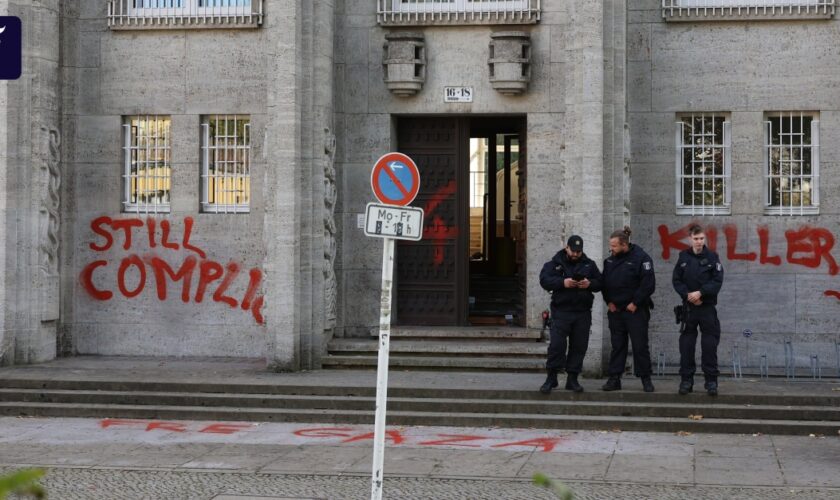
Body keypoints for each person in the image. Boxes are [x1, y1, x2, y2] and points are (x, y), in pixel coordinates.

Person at [538, 235, 603, 393]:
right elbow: (544, 280)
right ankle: (551, 378)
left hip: (582, 312)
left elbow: (600, 283)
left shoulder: (589, 264)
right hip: (561, 311)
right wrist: (563, 283)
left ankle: (572, 379)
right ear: (566, 247)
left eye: (578, 252)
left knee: (579, 346)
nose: (575, 254)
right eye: (573, 251)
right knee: (557, 345)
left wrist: (589, 284)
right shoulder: (554, 264)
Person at [601, 226, 656, 392]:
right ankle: (614, 378)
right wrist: (608, 301)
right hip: (616, 311)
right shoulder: (609, 260)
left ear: (624, 244)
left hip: (635, 310)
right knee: (618, 346)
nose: (611, 248)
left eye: (614, 246)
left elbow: (648, 285)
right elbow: (604, 283)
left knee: (640, 346)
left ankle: (645, 378)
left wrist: (636, 303)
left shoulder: (641, 258)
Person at [672, 223, 724, 396]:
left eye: (701, 238)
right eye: (696, 239)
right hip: (689, 309)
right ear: (690, 239)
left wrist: (701, 293)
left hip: (707, 308)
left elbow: (717, 281)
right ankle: (686, 381)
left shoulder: (712, 257)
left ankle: (711, 382)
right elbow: (676, 280)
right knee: (686, 346)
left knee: (709, 346)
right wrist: (688, 295)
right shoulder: (683, 257)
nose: (699, 242)